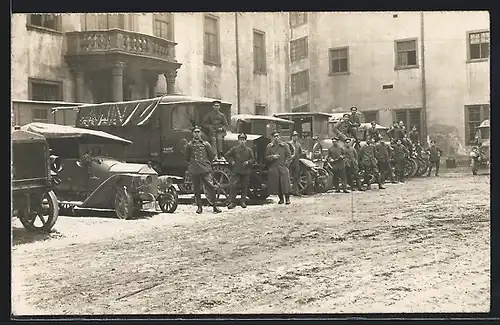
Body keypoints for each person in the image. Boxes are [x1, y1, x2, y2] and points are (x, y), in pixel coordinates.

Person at [185, 126, 221, 214]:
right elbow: (186, 158)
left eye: (198, 132)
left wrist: (206, 164)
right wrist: (191, 166)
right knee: (196, 189)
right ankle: (199, 207)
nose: (197, 134)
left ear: (201, 133)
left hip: (205, 169)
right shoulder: (189, 145)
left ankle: (215, 206)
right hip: (195, 169)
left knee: (211, 187)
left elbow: (212, 156)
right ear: (192, 134)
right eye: (195, 132)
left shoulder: (206, 144)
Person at [225, 133, 255, 209]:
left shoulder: (249, 150)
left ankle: (242, 201)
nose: (242, 141)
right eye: (241, 140)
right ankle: (233, 202)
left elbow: (253, 159)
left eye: (243, 140)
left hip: (245, 171)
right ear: (238, 141)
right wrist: (231, 161)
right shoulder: (235, 149)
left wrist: (248, 162)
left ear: (246, 141)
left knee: (244, 186)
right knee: (233, 185)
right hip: (236, 170)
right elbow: (227, 155)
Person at [265, 130, 292, 204]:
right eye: (274, 136)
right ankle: (281, 199)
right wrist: (272, 156)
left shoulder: (285, 145)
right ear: (272, 138)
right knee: (277, 184)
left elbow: (289, 156)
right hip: (274, 167)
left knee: (285, 184)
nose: (276, 138)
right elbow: (266, 157)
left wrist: (286, 164)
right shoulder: (269, 146)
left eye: (277, 136)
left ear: (280, 137)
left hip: (283, 166)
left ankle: (287, 199)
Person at [289, 131, 303, 196]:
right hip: (290, 163)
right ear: (292, 137)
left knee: (296, 177)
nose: (295, 137)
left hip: (296, 162)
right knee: (288, 177)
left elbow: (300, 153)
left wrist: (304, 153)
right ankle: (288, 191)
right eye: (294, 136)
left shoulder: (298, 144)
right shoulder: (289, 144)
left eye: (296, 136)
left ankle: (295, 191)